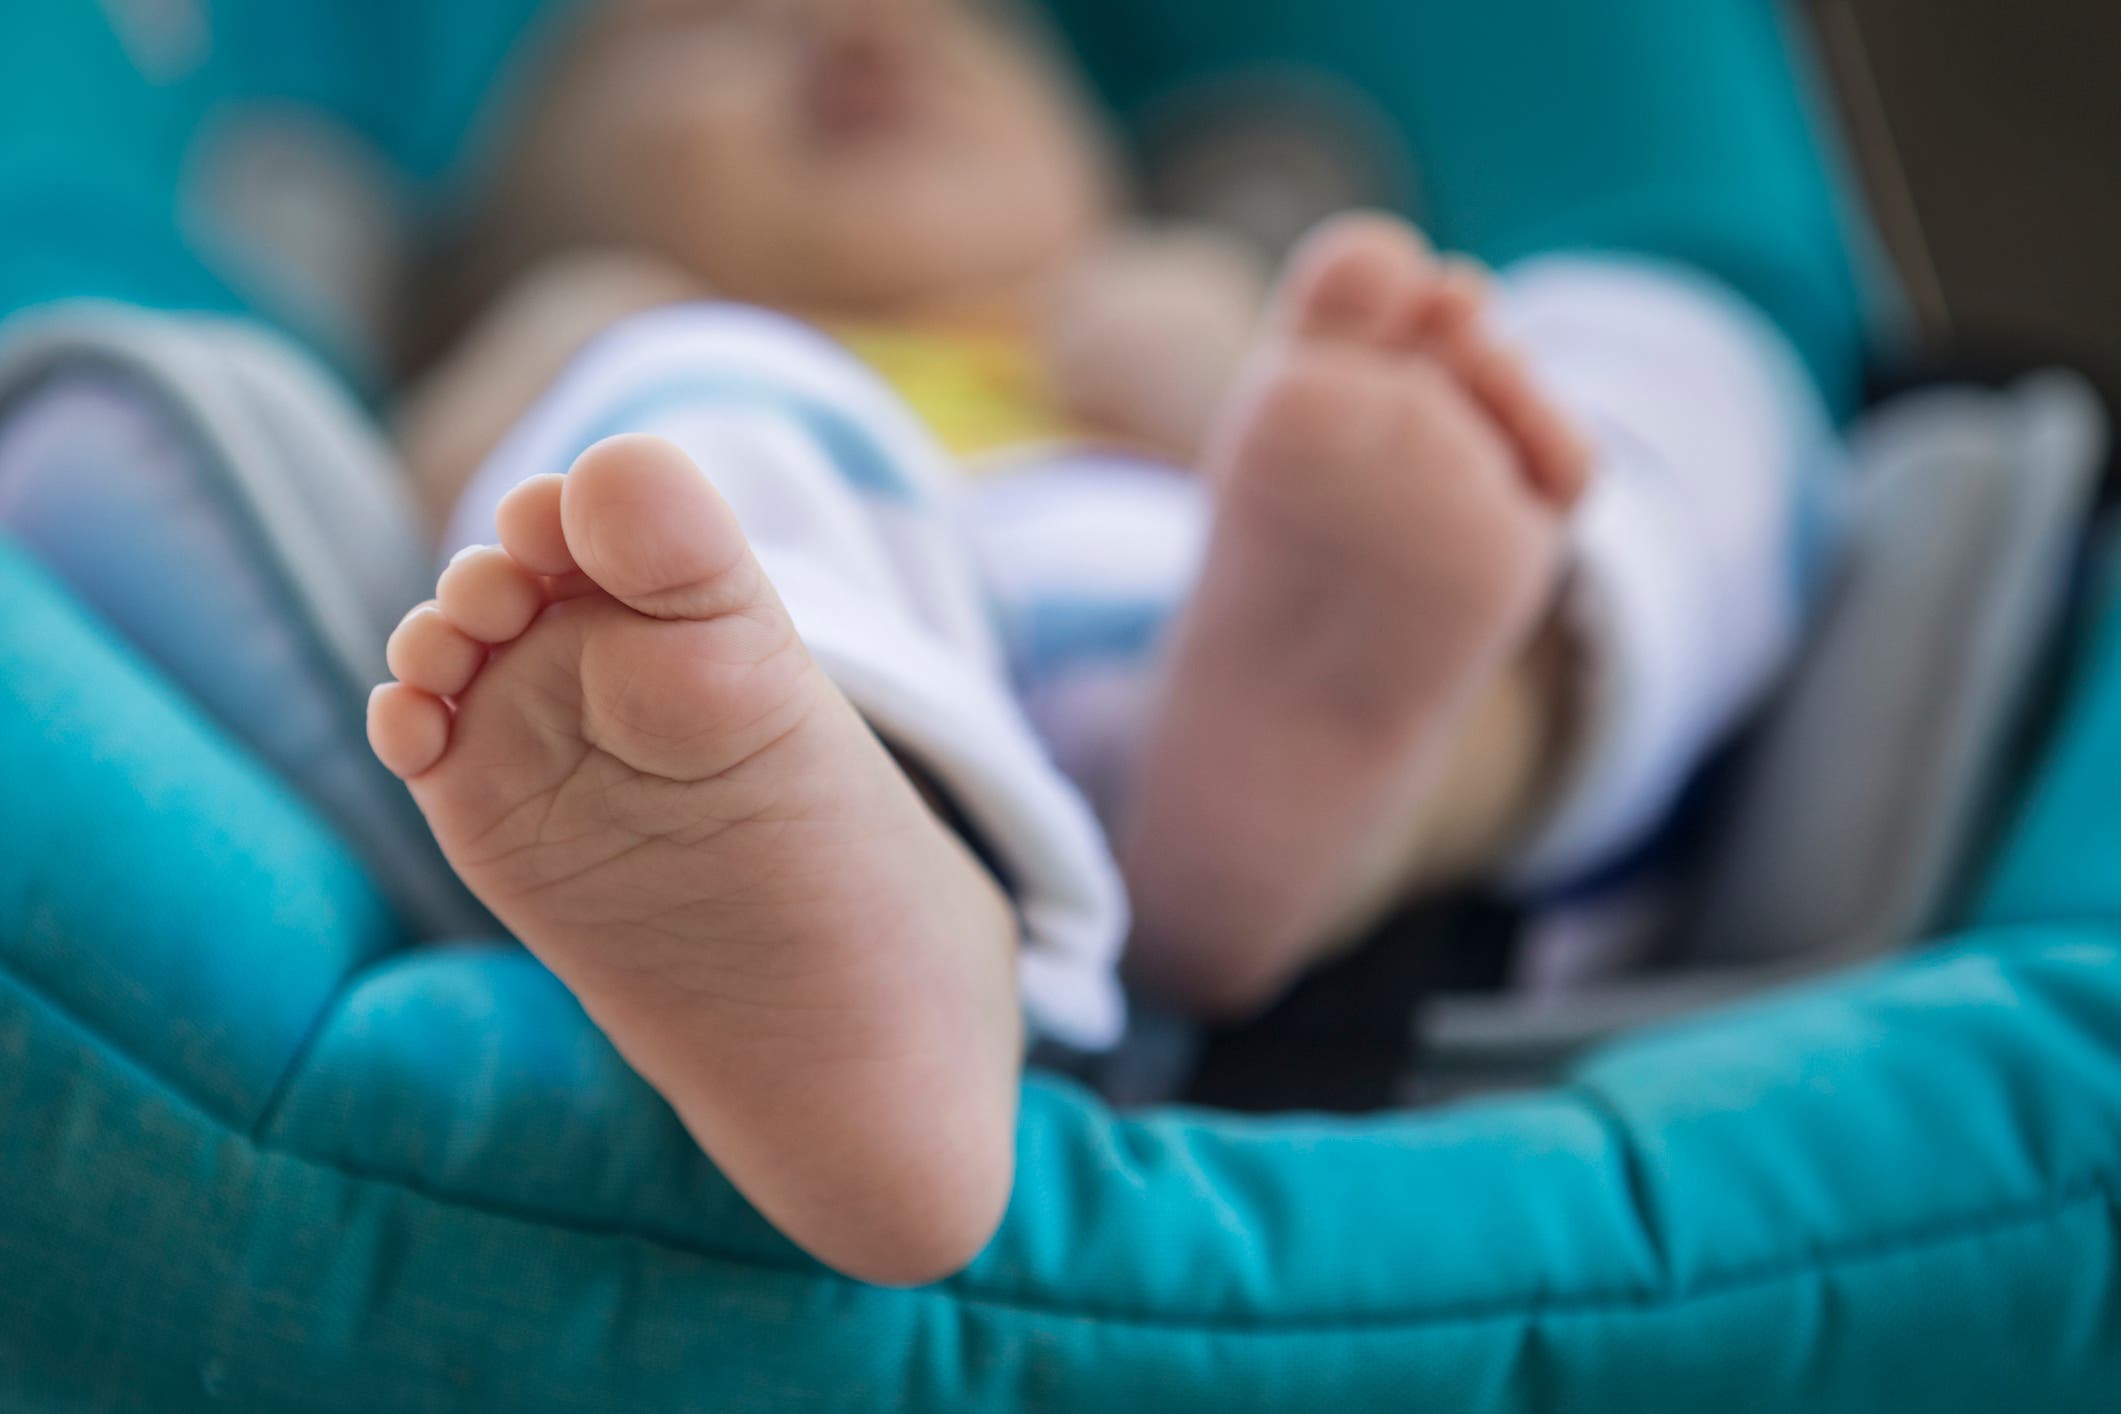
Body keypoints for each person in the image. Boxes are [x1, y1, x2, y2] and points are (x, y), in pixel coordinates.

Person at [369, 0, 1825, 1284]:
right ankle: (883, 901)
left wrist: (1233, 377)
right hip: (906, 675)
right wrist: (548, 346)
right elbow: (441, 492)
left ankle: (1415, 771)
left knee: (1674, 347)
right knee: (642, 470)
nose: (845, 23)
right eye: (697, 27)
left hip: (1253, 649)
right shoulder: (687, 355)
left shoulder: (1264, 348)